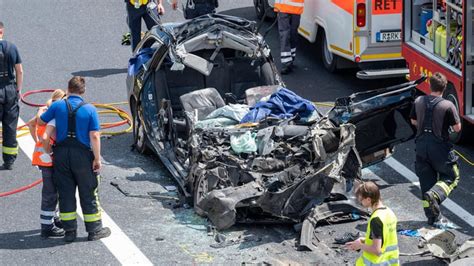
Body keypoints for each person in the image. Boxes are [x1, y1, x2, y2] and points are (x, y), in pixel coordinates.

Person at [39, 76, 110, 242]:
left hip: (61, 155)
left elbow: (41, 121)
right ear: (83, 91)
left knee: (65, 193)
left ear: (68, 89)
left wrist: (47, 146)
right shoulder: (90, 109)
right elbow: (94, 136)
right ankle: (94, 230)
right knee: (88, 192)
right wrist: (97, 159)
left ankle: (69, 232)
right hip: (82, 156)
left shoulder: (57, 106)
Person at [410, 72, 461, 225]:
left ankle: (432, 218)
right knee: (452, 177)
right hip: (440, 149)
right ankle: (435, 194)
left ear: (429, 85)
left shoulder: (418, 100)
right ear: (444, 88)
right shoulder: (447, 105)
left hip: (421, 148)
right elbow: (457, 128)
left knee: (426, 184)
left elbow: (413, 121)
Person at [27, 89, 66, 239]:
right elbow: (46, 137)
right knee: (50, 193)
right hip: (49, 159)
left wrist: (36, 142)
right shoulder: (53, 115)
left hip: (41, 158)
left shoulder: (43, 112)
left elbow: (31, 125)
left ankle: (54, 219)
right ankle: (47, 227)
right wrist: (48, 150)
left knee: (52, 191)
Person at [346, 181, 400, 266]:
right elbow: (385, 238)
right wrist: (363, 240)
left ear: (368, 199)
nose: (360, 203)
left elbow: (377, 250)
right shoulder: (389, 212)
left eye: (361, 200)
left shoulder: (376, 219)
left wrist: (360, 245)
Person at [0, 21, 23, 170]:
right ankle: (9, 160)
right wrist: (18, 90)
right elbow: (19, 71)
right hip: (9, 89)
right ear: (2, 31)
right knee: (10, 126)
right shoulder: (11, 47)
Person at [274, 0, 304, 75]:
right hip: (285, 8)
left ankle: (290, 59)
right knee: (286, 34)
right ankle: (287, 62)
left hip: (292, 8)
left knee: (292, 34)